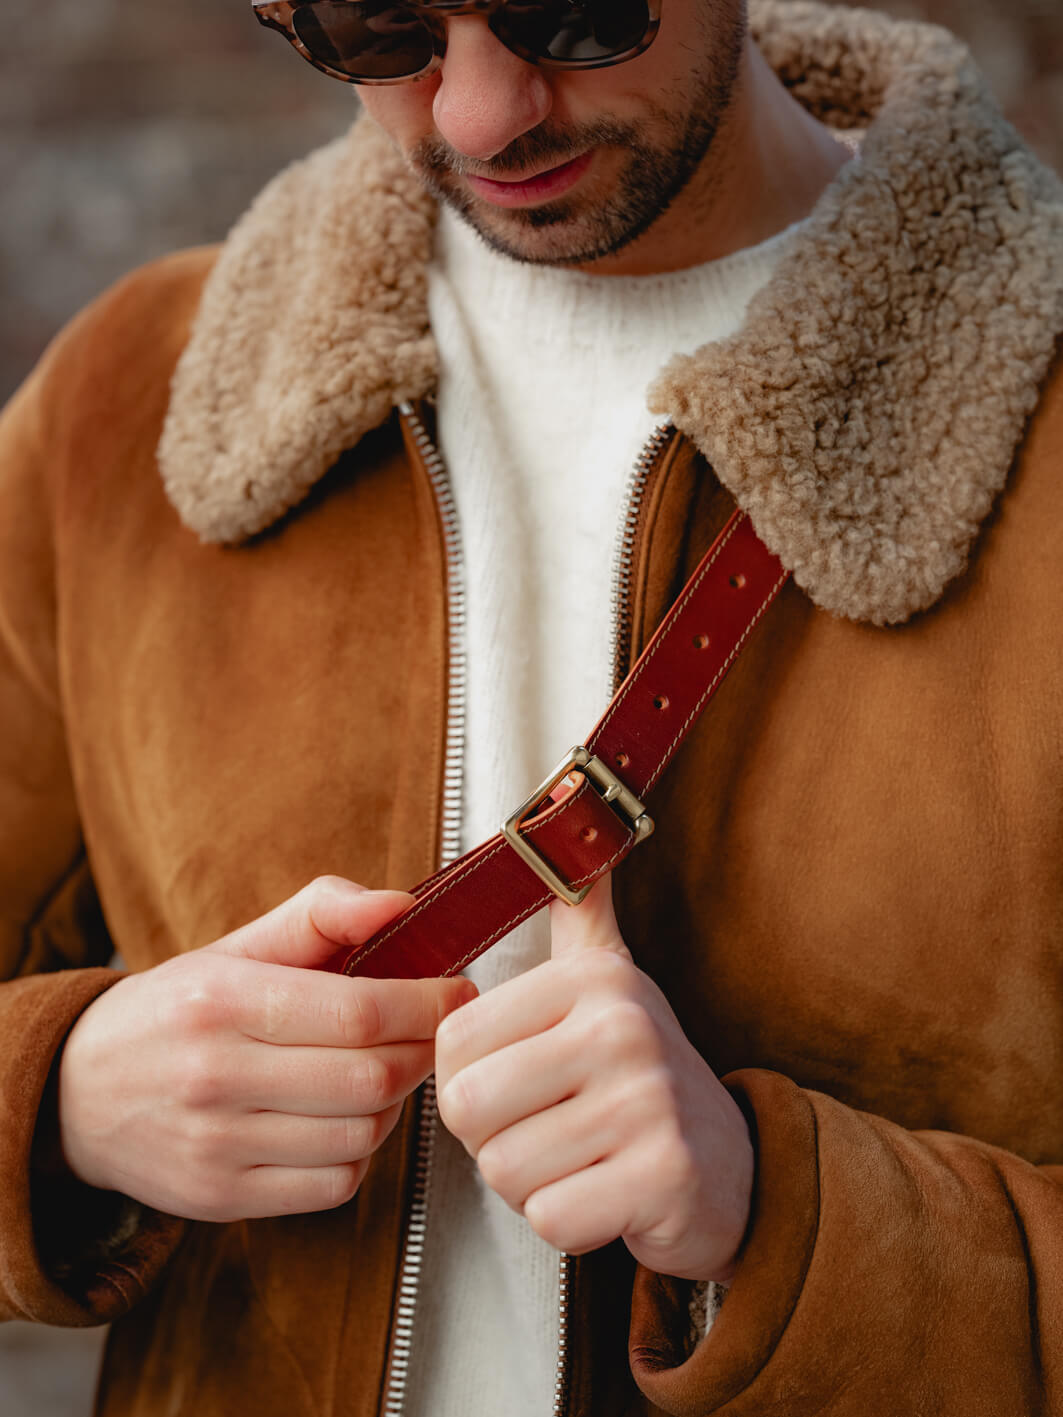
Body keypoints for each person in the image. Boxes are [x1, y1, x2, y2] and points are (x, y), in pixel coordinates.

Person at [1, 0, 1061, 1412]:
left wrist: (783, 1226)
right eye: (371, 25)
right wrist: (59, 1096)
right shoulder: (117, 408)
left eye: (571, 9)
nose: (481, 115)